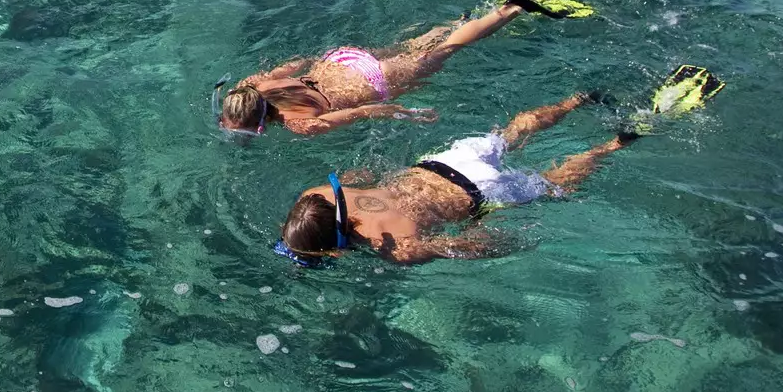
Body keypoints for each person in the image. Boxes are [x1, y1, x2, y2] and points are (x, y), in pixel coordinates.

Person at [271, 66, 724, 266]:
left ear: (334, 249)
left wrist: (496, 236)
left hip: (479, 195)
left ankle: (617, 142)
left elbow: (466, 246)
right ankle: (580, 99)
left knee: (554, 184)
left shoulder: (398, 251)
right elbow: (359, 176)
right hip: (444, 162)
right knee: (510, 133)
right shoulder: (318, 193)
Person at [214, 0, 595, 141]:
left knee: (446, 51)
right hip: (343, 60)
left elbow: (362, 112)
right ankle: (459, 20)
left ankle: (513, 8)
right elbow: (296, 63)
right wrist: (319, 62)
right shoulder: (250, 85)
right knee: (415, 46)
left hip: (373, 81)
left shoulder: (300, 125)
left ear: (260, 126)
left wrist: (405, 113)